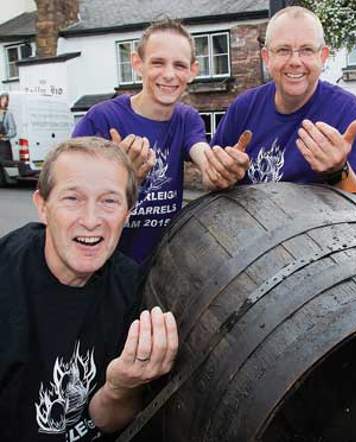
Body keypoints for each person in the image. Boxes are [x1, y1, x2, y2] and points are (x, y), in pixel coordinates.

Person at [0, 137, 178, 441]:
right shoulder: (7, 274)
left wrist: (120, 387)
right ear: (42, 206)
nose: (92, 220)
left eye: (109, 201)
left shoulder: (132, 289)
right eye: (73, 199)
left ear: (128, 212)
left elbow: (107, 420)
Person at [72, 19, 250, 264]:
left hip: (161, 269)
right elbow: (71, 194)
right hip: (105, 266)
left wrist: (220, 168)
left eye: (179, 65)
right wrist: (121, 178)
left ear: (192, 71)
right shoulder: (101, 118)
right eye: (157, 63)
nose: (169, 74)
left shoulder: (187, 119)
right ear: (137, 64)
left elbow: (201, 154)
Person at [210, 6, 356, 194]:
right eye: (283, 50)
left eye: (307, 50)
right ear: (266, 57)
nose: (295, 61)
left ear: (323, 56)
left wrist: (338, 171)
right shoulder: (244, 107)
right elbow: (209, 181)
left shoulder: (347, 111)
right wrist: (221, 174)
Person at [0, 92, 17, 161]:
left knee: (5, 166)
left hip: (3, 146)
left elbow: (13, 131)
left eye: (6, 100)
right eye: (2, 99)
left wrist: (3, 136)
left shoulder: (8, 114)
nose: (4, 102)